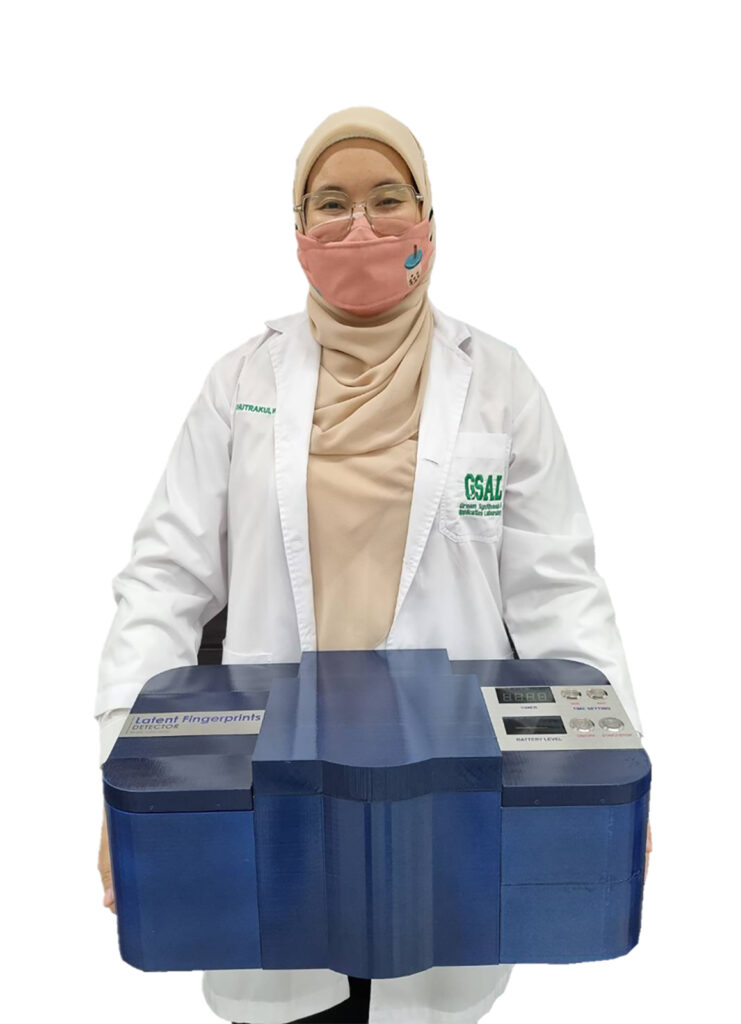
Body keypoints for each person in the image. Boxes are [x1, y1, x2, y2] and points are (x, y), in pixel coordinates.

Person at [95, 106, 652, 1024]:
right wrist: (125, 770)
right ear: (298, 226)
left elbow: (558, 591)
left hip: (444, 786)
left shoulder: (498, 382)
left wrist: (613, 766)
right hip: (273, 787)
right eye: (332, 204)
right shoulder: (242, 382)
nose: (360, 226)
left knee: (428, 981)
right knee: (288, 985)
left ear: (428, 218)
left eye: (389, 199)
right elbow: (165, 576)